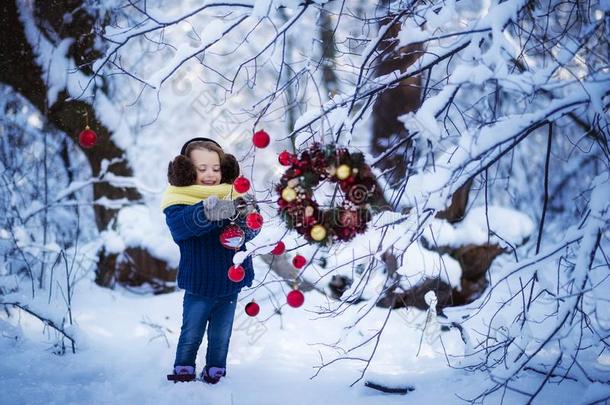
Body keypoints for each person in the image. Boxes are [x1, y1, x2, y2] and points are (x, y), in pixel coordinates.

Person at [160, 138, 259, 384]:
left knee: (221, 334)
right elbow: (182, 226)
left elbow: (252, 230)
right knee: (192, 331)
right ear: (186, 170)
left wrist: (247, 222)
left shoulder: (234, 195)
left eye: (215, 169)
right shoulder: (178, 200)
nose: (209, 175)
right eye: (201, 169)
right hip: (199, 282)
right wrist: (216, 210)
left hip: (229, 280)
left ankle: (216, 370)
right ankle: (184, 367)